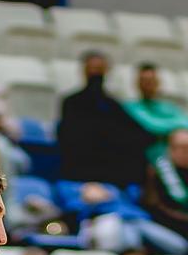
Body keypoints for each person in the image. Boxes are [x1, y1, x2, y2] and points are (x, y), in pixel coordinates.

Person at [59, 51, 150, 189]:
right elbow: (71, 138)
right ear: (84, 70)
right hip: (78, 171)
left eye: (99, 69)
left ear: (106, 71)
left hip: (110, 171)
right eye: (92, 69)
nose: (95, 73)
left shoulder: (113, 105)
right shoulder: (70, 102)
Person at [124, 65, 188, 172]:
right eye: (145, 81)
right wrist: (179, 128)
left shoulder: (169, 107)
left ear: (158, 83)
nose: (148, 85)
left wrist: (180, 132)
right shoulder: (131, 107)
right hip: (151, 151)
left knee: (186, 140)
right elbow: (153, 126)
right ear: (137, 83)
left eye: (152, 81)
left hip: (177, 151)